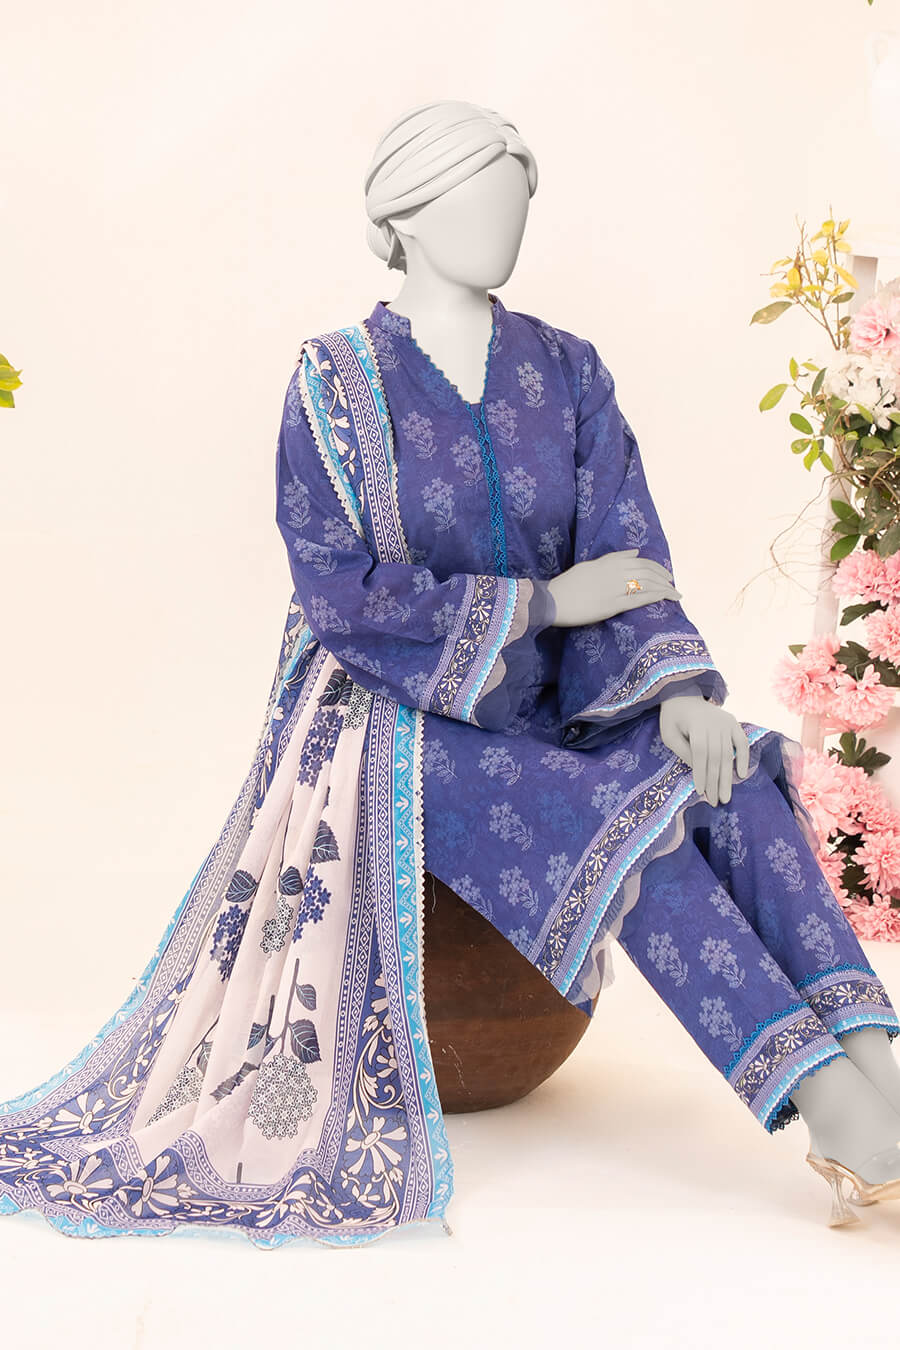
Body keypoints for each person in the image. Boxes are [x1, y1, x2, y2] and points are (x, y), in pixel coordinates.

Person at [1, 101, 898, 1249]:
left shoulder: (567, 371)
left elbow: (627, 555)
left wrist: (678, 696)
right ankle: (834, 1114)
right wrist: (543, 604)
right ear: (407, 216)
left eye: (517, 196)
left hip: (567, 697)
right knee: (631, 829)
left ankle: (881, 1069)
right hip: (385, 715)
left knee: (735, 780)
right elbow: (342, 594)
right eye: (478, 197)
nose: (505, 220)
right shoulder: (334, 384)